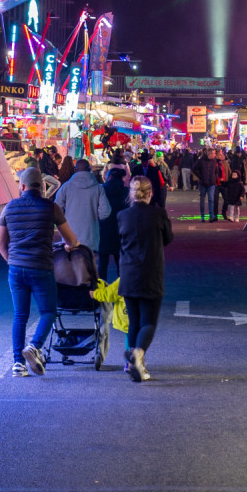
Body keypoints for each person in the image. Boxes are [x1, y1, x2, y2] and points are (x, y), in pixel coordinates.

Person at [0, 165, 79, 375]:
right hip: (41, 267)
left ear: (22, 186)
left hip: (16, 269)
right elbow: (71, 239)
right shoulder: (50, 208)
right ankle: (34, 346)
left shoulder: (9, 208)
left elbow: (0, 243)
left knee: (20, 315)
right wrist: (70, 246)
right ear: (42, 187)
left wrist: (11, 261)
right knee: (49, 311)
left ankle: (18, 364)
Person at [116, 176, 173, 382]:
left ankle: (133, 361)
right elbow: (168, 238)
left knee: (134, 321)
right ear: (150, 193)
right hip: (151, 272)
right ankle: (138, 354)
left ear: (130, 194)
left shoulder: (122, 216)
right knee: (149, 321)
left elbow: (118, 241)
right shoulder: (158, 214)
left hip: (129, 273)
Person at [55, 158, 110, 257]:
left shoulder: (66, 187)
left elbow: (56, 208)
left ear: (75, 170)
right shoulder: (98, 188)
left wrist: (64, 220)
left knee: (70, 268)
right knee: (88, 268)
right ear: (89, 170)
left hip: (69, 237)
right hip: (91, 236)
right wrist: (95, 217)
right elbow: (105, 212)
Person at [99, 149, 130, 284]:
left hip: (104, 229)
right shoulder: (126, 192)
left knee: (102, 265)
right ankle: (122, 291)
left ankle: (100, 294)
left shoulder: (102, 190)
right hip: (120, 229)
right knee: (121, 265)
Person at [195, 145, 219, 222]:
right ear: (210, 154)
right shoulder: (201, 160)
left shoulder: (214, 161)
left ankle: (211, 216)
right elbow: (194, 168)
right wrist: (201, 177)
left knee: (211, 199)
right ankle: (202, 216)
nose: (215, 155)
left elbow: (216, 170)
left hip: (211, 183)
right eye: (214, 153)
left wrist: (215, 177)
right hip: (203, 183)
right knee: (202, 200)